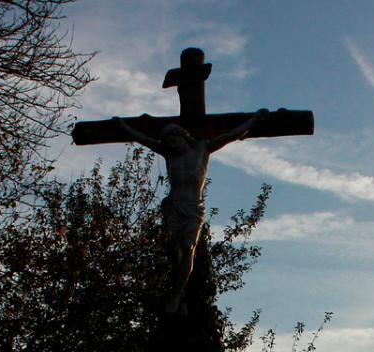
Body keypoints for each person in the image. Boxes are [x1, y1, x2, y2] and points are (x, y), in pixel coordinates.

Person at [114, 109, 268, 314]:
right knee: (172, 251)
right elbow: (142, 139)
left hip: (194, 208)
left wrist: (254, 120)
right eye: (168, 143)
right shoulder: (169, 154)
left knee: (189, 247)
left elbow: (230, 135)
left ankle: (176, 296)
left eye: (174, 140)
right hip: (174, 207)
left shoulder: (203, 149)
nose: (172, 145)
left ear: (182, 136)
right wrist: (123, 126)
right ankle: (181, 294)